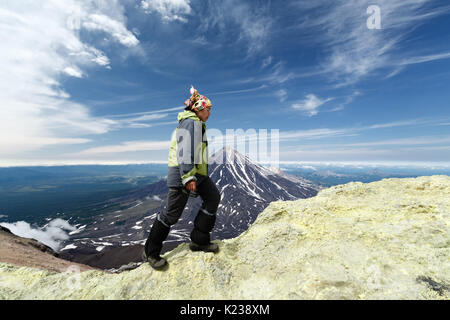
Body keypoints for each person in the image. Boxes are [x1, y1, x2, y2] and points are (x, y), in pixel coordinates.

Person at [142, 86, 221, 270]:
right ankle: (150, 252)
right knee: (171, 215)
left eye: (209, 109)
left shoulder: (196, 123)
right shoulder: (190, 123)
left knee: (212, 197)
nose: (209, 113)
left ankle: (199, 241)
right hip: (183, 174)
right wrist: (188, 178)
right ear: (198, 109)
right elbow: (184, 151)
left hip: (196, 174)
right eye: (207, 109)